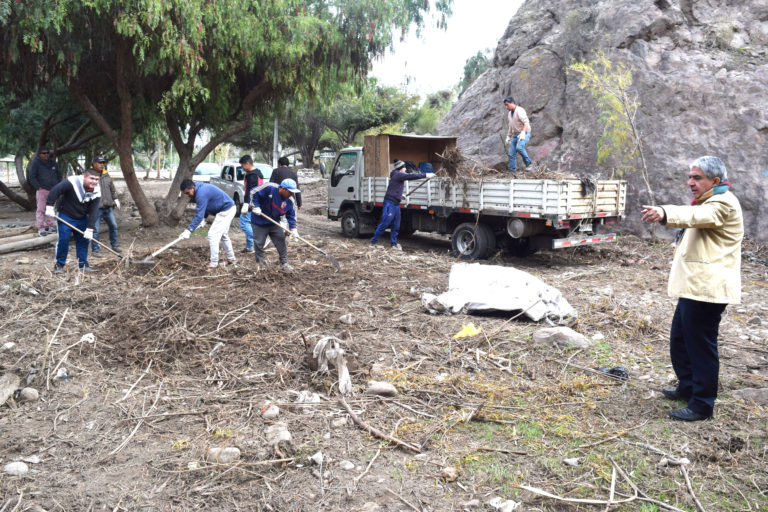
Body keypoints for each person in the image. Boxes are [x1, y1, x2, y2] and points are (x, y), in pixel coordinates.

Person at [641, 156, 743, 422]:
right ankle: (687, 387)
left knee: (699, 345)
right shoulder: (709, 201)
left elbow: (699, 216)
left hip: (707, 290)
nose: (690, 183)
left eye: (697, 178)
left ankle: (702, 405)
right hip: (696, 287)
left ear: (715, 181)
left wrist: (665, 212)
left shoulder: (723, 203)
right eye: (690, 177)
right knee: (680, 340)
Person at [45, 168, 101, 273]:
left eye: (96, 179)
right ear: (84, 177)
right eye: (91, 178)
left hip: (82, 217)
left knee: (84, 241)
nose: (94, 181)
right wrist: (49, 206)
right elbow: (55, 190)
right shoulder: (72, 182)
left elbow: (94, 210)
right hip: (65, 215)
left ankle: (83, 265)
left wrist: (90, 228)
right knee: (64, 240)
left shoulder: (97, 190)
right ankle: (59, 265)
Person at [370, 160, 431, 249]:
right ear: (401, 168)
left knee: (396, 225)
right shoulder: (398, 174)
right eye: (404, 167)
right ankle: (373, 242)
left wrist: (400, 195)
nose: (406, 169)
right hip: (390, 203)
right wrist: (426, 175)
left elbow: (394, 187)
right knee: (385, 223)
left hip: (396, 203)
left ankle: (393, 244)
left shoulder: (398, 175)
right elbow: (412, 176)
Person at [179, 179, 237, 269]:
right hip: (227, 209)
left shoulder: (201, 193)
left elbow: (199, 215)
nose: (187, 195)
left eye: (187, 193)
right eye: (185, 194)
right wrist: (204, 219)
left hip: (226, 210)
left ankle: (214, 263)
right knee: (223, 235)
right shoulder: (199, 189)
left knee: (212, 235)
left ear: (192, 187)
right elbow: (205, 206)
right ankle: (231, 259)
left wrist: (189, 230)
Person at [247, 178, 300, 269]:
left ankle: (284, 263)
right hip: (259, 221)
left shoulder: (290, 201)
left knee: (281, 240)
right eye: (290, 192)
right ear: (283, 189)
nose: (292, 194)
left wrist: (293, 229)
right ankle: (261, 264)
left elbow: (291, 216)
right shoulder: (269, 188)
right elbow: (253, 192)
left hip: (274, 223)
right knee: (259, 243)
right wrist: (255, 206)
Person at [90, 155, 122, 256]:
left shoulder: (106, 175)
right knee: (95, 230)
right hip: (96, 208)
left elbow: (112, 188)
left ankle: (115, 245)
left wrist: (115, 199)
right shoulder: (89, 175)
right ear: (94, 164)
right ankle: (95, 250)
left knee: (113, 226)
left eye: (103, 163)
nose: (102, 164)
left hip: (108, 207)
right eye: (100, 163)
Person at [28, 146, 62, 236]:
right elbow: (32, 176)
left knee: (51, 209)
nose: (46, 155)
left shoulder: (53, 163)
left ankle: (50, 226)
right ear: (39, 154)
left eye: (47, 153)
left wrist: (58, 186)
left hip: (53, 190)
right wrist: (38, 187)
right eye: (44, 153)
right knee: (41, 209)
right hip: (42, 190)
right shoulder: (36, 164)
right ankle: (41, 228)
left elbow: (59, 174)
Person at [238, 155, 265, 253]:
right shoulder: (258, 173)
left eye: (242, 165)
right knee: (250, 223)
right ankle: (250, 247)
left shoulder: (252, 175)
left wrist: (247, 203)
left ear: (247, 164)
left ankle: (258, 240)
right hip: (258, 201)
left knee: (244, 223)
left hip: (252, 202)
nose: (242, 168)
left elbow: (251, 191)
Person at [503, 96, 532, 176]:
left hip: (524, 133)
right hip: (515, 135)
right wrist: (508, 136)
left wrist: (523, 132)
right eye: (505, 105)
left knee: (519, 147)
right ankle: (512, 172)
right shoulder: (509, 114)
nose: (506, 107)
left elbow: (526, 123)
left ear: (512, 102)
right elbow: (510, 126)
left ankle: (529, 164)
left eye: (507, 104)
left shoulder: (519, 110)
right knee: (511, 153)